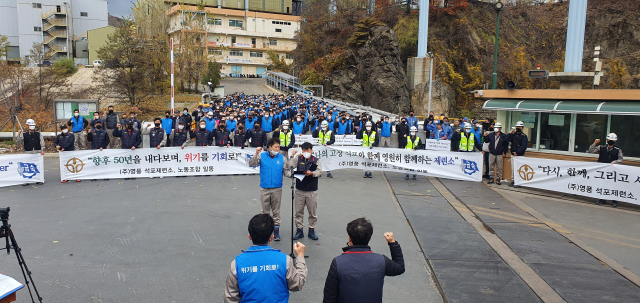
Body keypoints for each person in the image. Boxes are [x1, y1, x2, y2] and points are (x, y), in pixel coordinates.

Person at [224, 214, 307, 303]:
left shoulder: (236, 264)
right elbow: (297, 284)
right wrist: (300, 257)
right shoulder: (285, 261)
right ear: (271, 237)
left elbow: (230, 299)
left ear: (249, 236)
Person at [322, 218, 405, 303]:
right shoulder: (381, 261)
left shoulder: (338, 262)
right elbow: (400, 267)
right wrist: (392, 243)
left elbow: (329, 297)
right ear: (369, 238)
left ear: (349, 238)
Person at [249, 138, 288, 241]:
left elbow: (286, 172)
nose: (278, 149)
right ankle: (265, 231)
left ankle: (276, 231)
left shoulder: (282, 158)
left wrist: (297, 174)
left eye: (279, 147)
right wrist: (256, 153)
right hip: (265, 188)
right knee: (265, 212)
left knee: (276, 211)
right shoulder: (261, 156)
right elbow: (251, 164)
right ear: (270, 147)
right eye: (276, 147)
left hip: (277, 188)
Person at [286, 143, 322, 240]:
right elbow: (290, 166)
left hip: (312, 191)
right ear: (302, 151)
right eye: (304, 151)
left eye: (308, 150)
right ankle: (299, 230)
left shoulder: (316, 160)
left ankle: (311, 230)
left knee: (312, 212)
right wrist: (292, 156)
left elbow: (319, 172)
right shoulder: (298, 158)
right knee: (298, 212)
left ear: (312, 150)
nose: (306, 152)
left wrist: (312, 173)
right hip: (300, 190)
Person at [589, 133, 623, 207]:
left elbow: (620, 159)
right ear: (607, 140)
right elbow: (591, 151)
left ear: (615, 141)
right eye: (609, 140)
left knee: (613, 185)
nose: (610, 141)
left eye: (612, 140)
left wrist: (614, 162)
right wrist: (595, 143)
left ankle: (614, 200)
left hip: (612, 170)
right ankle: (602, 199)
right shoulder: (601, 147)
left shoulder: (618, 150)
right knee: (602, 184)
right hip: (602, 170)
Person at [17, 119, 45, 185]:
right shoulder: (24, 134)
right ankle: (27, 180)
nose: (32, 126)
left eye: (33, 125)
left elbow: (42, 141)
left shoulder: (38, 133)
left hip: (37, 151)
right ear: (28, 126)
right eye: (31, 125)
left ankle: (39, 179)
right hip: (28, 151)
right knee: (28, 166)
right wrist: (18, 135)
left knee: (38, 166)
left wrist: (42, 149)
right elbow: (18, 141)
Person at [508, 121, 528, 188]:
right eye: (517, 127)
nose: (518, 128)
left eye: (519, 127)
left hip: (520, 155)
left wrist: (517, 152)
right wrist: (510, 133)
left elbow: (524, 146)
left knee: (519, 169)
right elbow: (506, 139)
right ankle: (513, 181)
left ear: (522, 128)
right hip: (513, 154)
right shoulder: (513, 135)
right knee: (513, 168)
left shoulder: (524, 136)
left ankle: (519, 182)